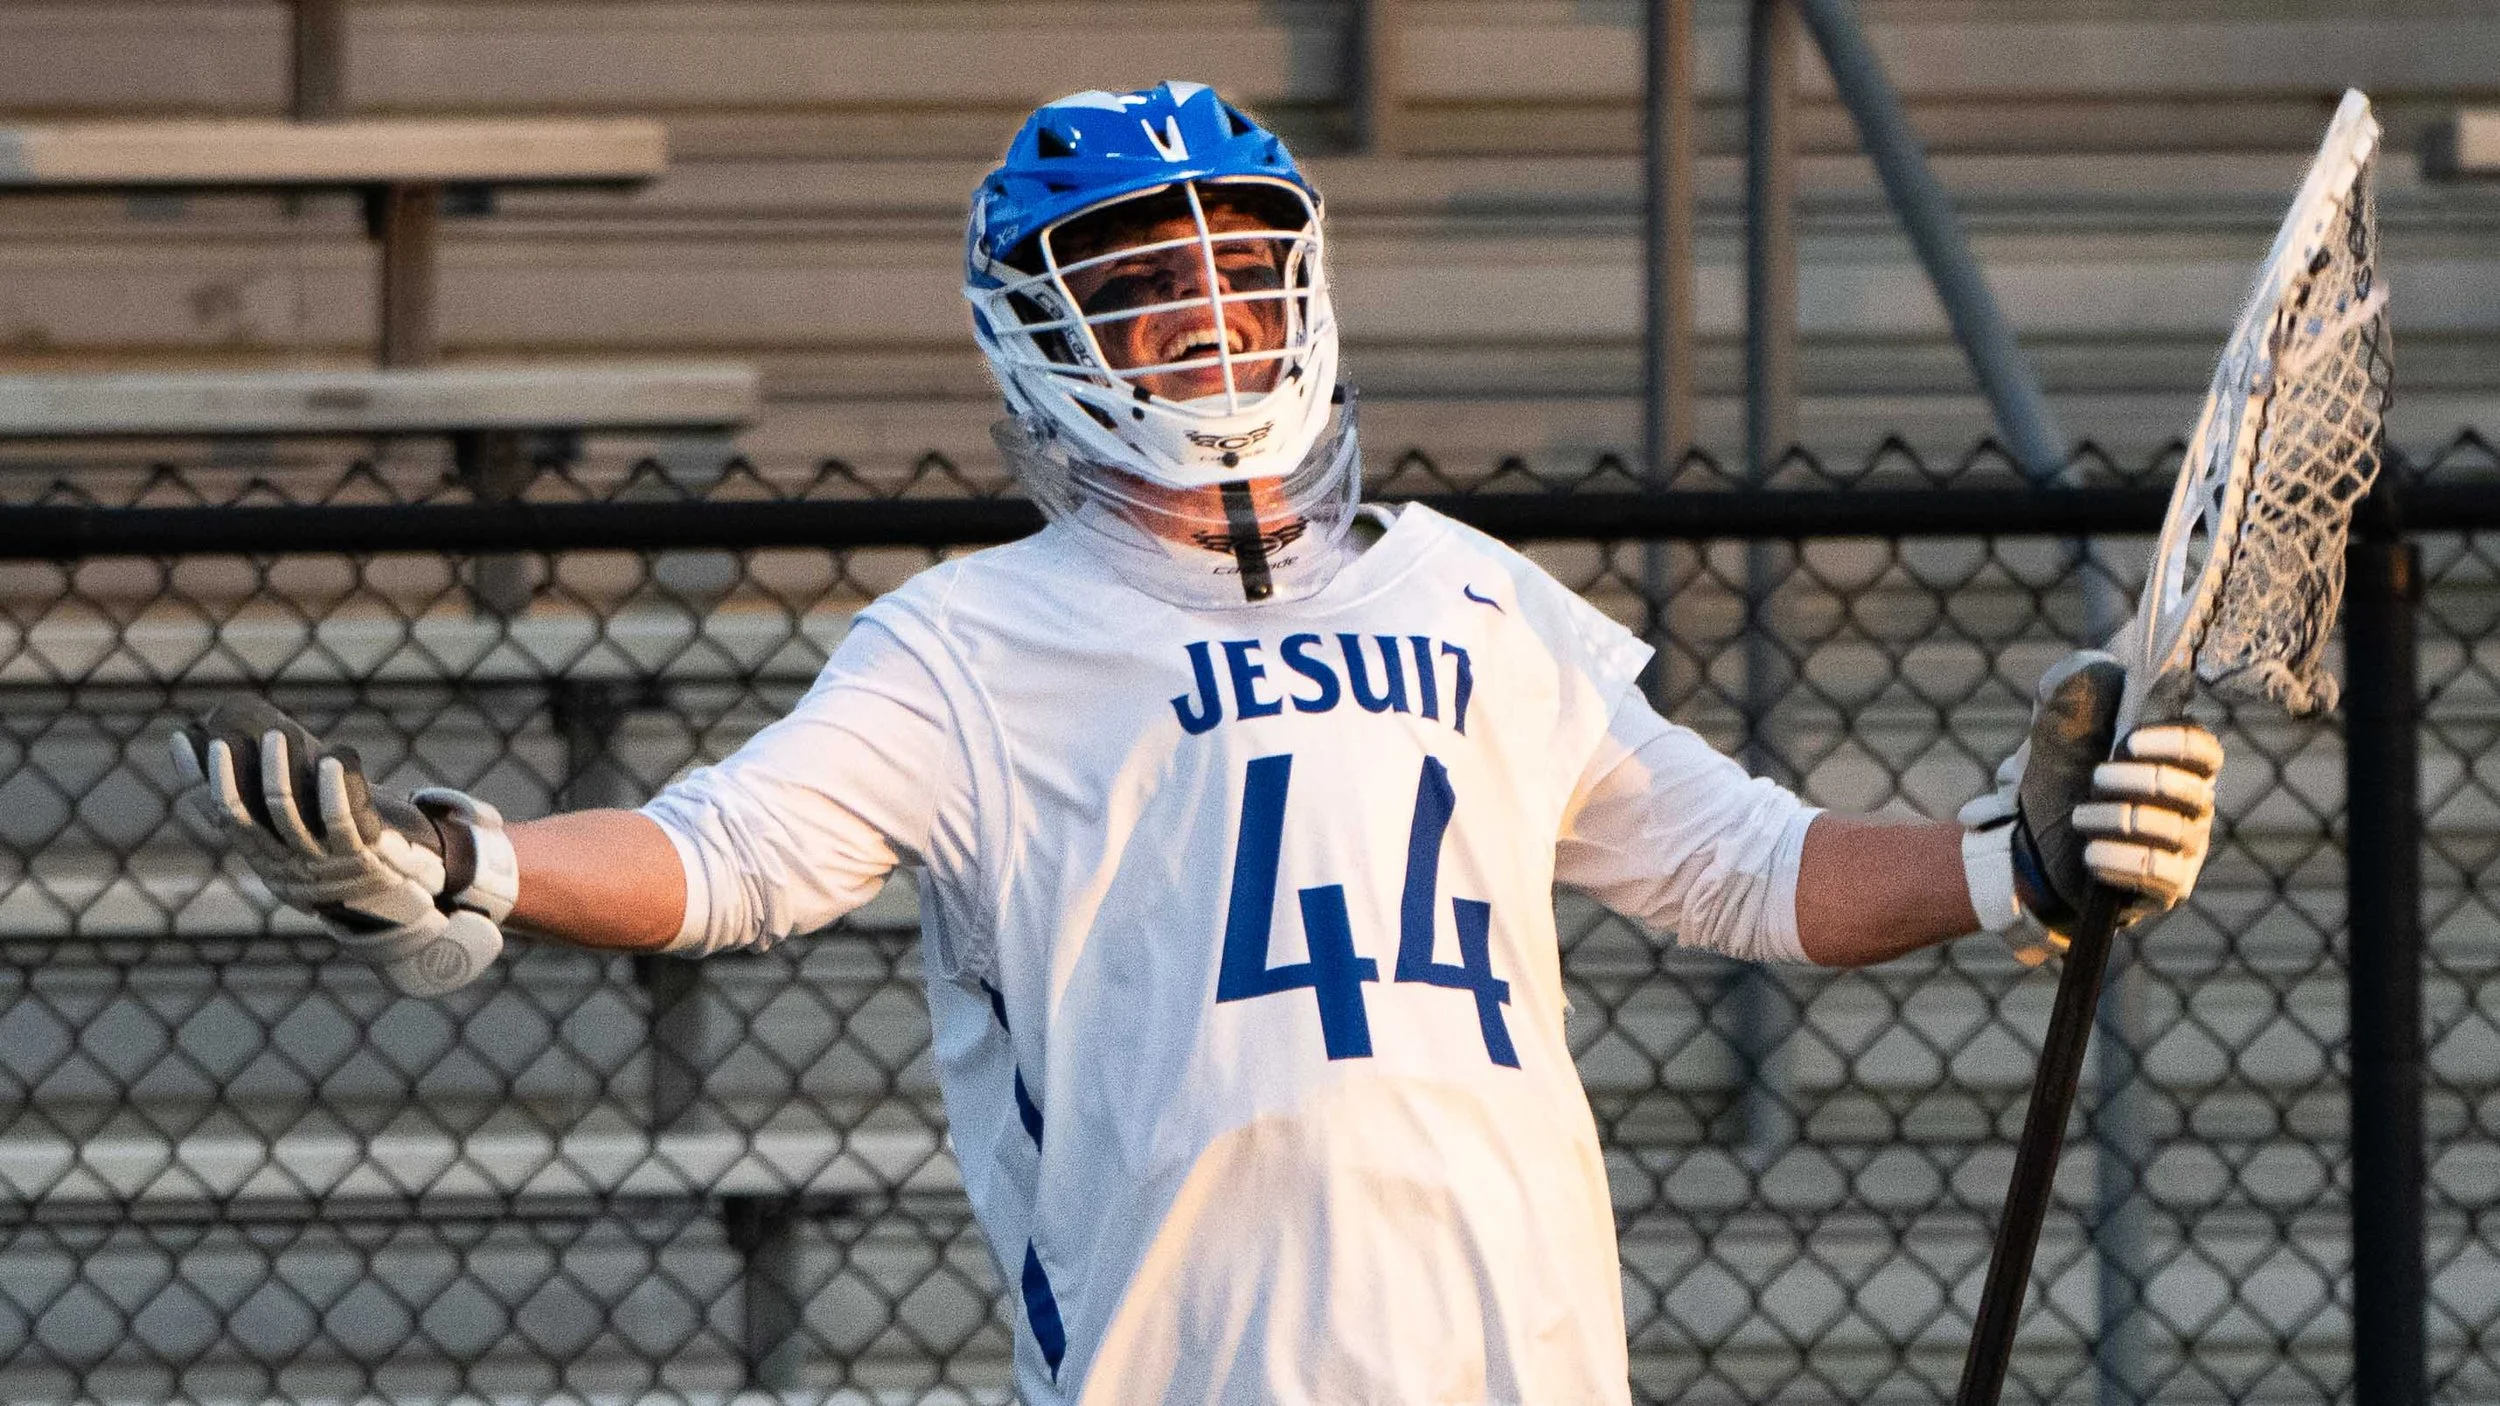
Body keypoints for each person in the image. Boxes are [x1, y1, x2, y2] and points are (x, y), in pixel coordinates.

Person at [169, 81, 2224, 1406]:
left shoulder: (1467, 588)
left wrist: (2010, 859)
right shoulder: (969, 640)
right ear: (1041, 328)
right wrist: (483, 861)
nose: (1209, 319)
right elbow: (733, 855)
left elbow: (1745, 867)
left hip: (1522, 1361)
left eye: (1241, 269)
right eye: (1144, 281)